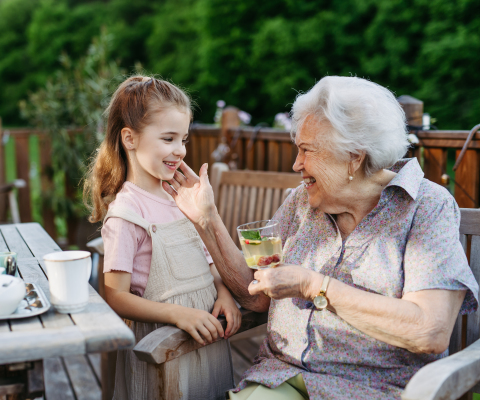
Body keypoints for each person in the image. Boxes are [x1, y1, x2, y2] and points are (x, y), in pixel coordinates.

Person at [162, 76, 479, 400]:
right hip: (281, 378)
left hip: (375, 390)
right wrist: (206, 218)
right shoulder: (304, 201)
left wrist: (314, 286)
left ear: (353, 156)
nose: (296, 164)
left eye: (306, 150)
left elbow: (430, 330)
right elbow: (256, 294)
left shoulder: (426, 207)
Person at [84, 76, 242, 400]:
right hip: (162, 353)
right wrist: (177, 315)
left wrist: (224, 293)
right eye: (168, 138)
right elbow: (115, 296)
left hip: (207, 343)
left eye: (183, 139)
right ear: (130, 138)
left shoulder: (181, 198)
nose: (180, 151)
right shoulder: (126, 213)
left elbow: (209, 259)